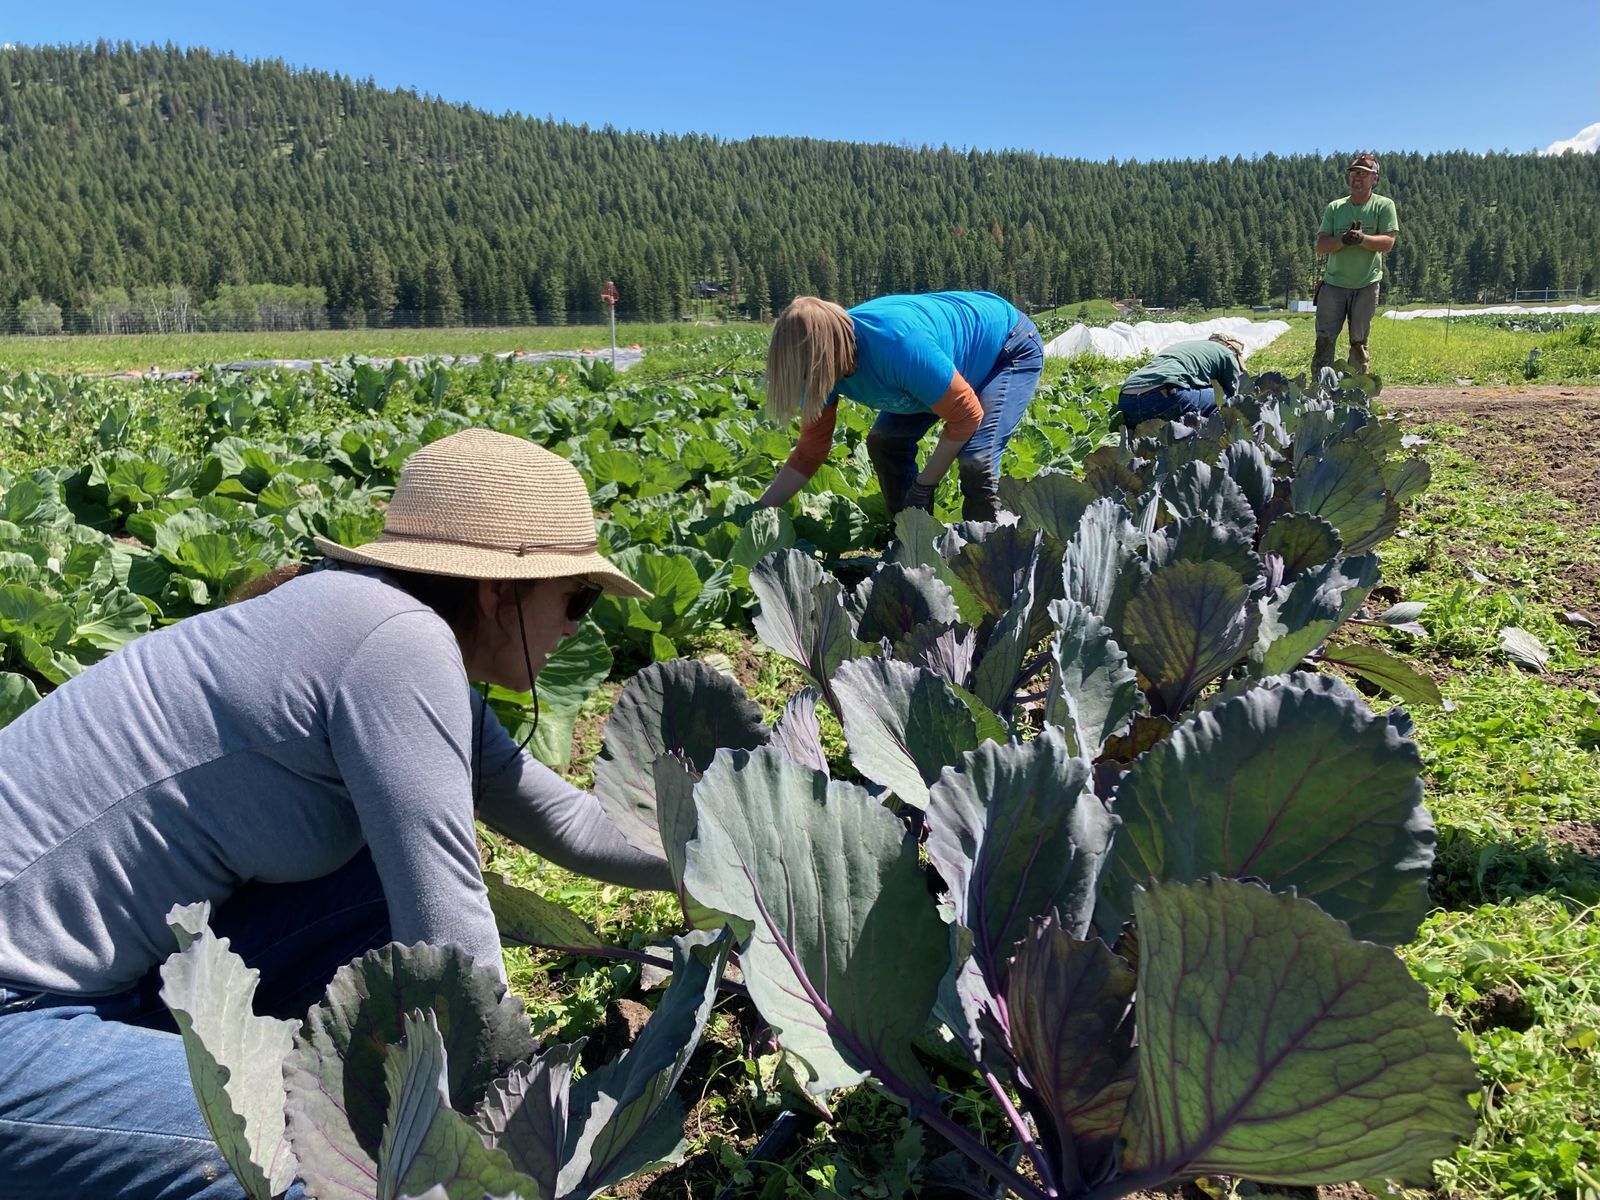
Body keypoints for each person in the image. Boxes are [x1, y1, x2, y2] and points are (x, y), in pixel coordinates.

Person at [0, 428, 672, 1200]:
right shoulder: (394, 642)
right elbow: (453, 939)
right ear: (498, 592)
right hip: (17, 1012)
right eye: (578, 600)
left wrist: (735, 864)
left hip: (104, 978)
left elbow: (572, 825)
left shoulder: (369, 622)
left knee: (364, 889)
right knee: (331, 1163)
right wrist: (504, 1161)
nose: (578, 628)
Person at [758, 291, 1043, 523]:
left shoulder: (898, 346)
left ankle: (988, 559)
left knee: (976, 462)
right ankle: (912, 540)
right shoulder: (819, 371)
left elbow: (967, 415)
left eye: (807, 375)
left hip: (1007, 348)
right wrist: (758, 514)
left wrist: (924, 486)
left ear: (826, 357)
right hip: (935, 373)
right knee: (885, 443)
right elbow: (809, 453)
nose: (806, 384)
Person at [1312, 152, 1399, 378]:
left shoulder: (1383, 206)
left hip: (1366, 285)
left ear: (1375, 178)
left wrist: (1362, 239)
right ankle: (1320, 391)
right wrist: (1343, 240)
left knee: (1359, 344)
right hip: (1333, 285)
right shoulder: (1335, 208)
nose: (1357, 178)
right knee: (1324, 340)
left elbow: (1388, 242)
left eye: (1363, 174)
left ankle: (1356, 392)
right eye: (1353, 173)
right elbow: (1321, 246)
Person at [1115, 333, 1246, 426]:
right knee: (1227, 399)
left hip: (1126, 400)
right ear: (1230, 347)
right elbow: (1234, 392)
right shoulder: (1225, 352)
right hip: (1164, 397)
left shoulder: (1186, 347)